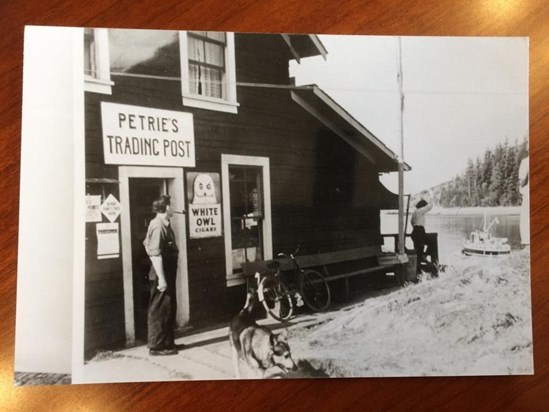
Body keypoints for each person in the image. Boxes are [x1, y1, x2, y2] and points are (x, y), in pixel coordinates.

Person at [143, 195, 179, 356]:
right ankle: (157, 347)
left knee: (168, 309)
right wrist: (162, 278)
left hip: (167, 273)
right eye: (171, 205)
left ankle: (167, 343)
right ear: (166, 208)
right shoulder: (158, 226)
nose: (173, 207)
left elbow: (146, 244)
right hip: (161, 275)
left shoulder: (163, 224)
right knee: (160, 310)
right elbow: (155, 254)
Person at [410, 191, 434, 275]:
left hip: (414, 232)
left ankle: (417, 270)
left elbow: (412, 222)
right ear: (422, 206)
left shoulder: (415, 212)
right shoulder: (420, 211)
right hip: (420, 231)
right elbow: (429, 206)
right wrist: (431, 196)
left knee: (418, 250)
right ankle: (424, 256)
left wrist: (416, 228)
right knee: (431, 242)